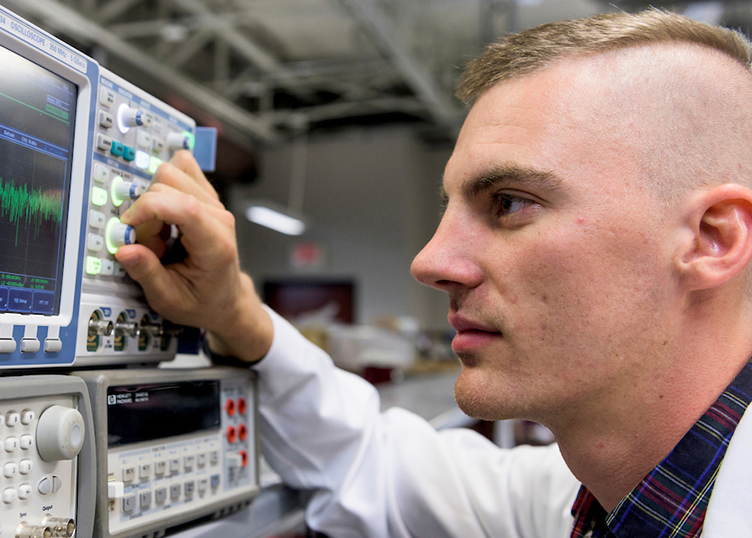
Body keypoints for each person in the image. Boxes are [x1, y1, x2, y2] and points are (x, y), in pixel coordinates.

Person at [115, 8, 752, 538]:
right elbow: (371, 464)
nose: (428, 262)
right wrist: (233, 315)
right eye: (450, 208)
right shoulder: (589, 498)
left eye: (508, 203)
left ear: (710, 240)